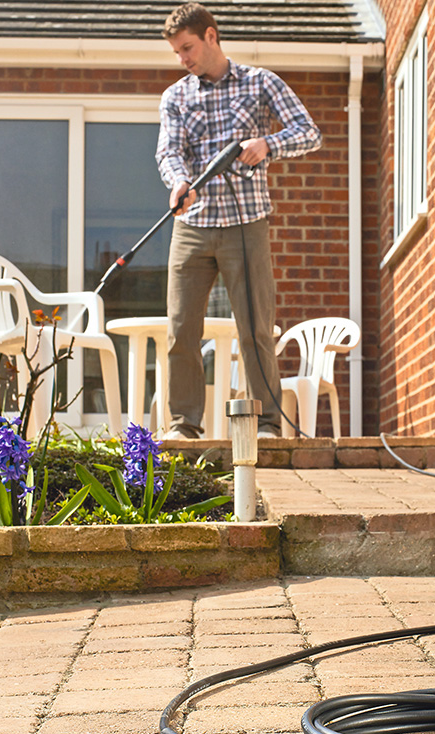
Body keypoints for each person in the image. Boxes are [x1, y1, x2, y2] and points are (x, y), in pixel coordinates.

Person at [155, 2, 322, 439]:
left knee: (255, 329)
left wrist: (268, 144)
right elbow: (169, 152)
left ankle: (266, 424)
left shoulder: (260, 82)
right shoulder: (176, 97)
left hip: (246, 223)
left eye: (187, 48)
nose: (182, 59)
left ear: (211, 36)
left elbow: (309, 132)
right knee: (180, 329)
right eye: (176, 52)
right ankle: (184, 425)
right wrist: (178, 181)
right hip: (193, 227)